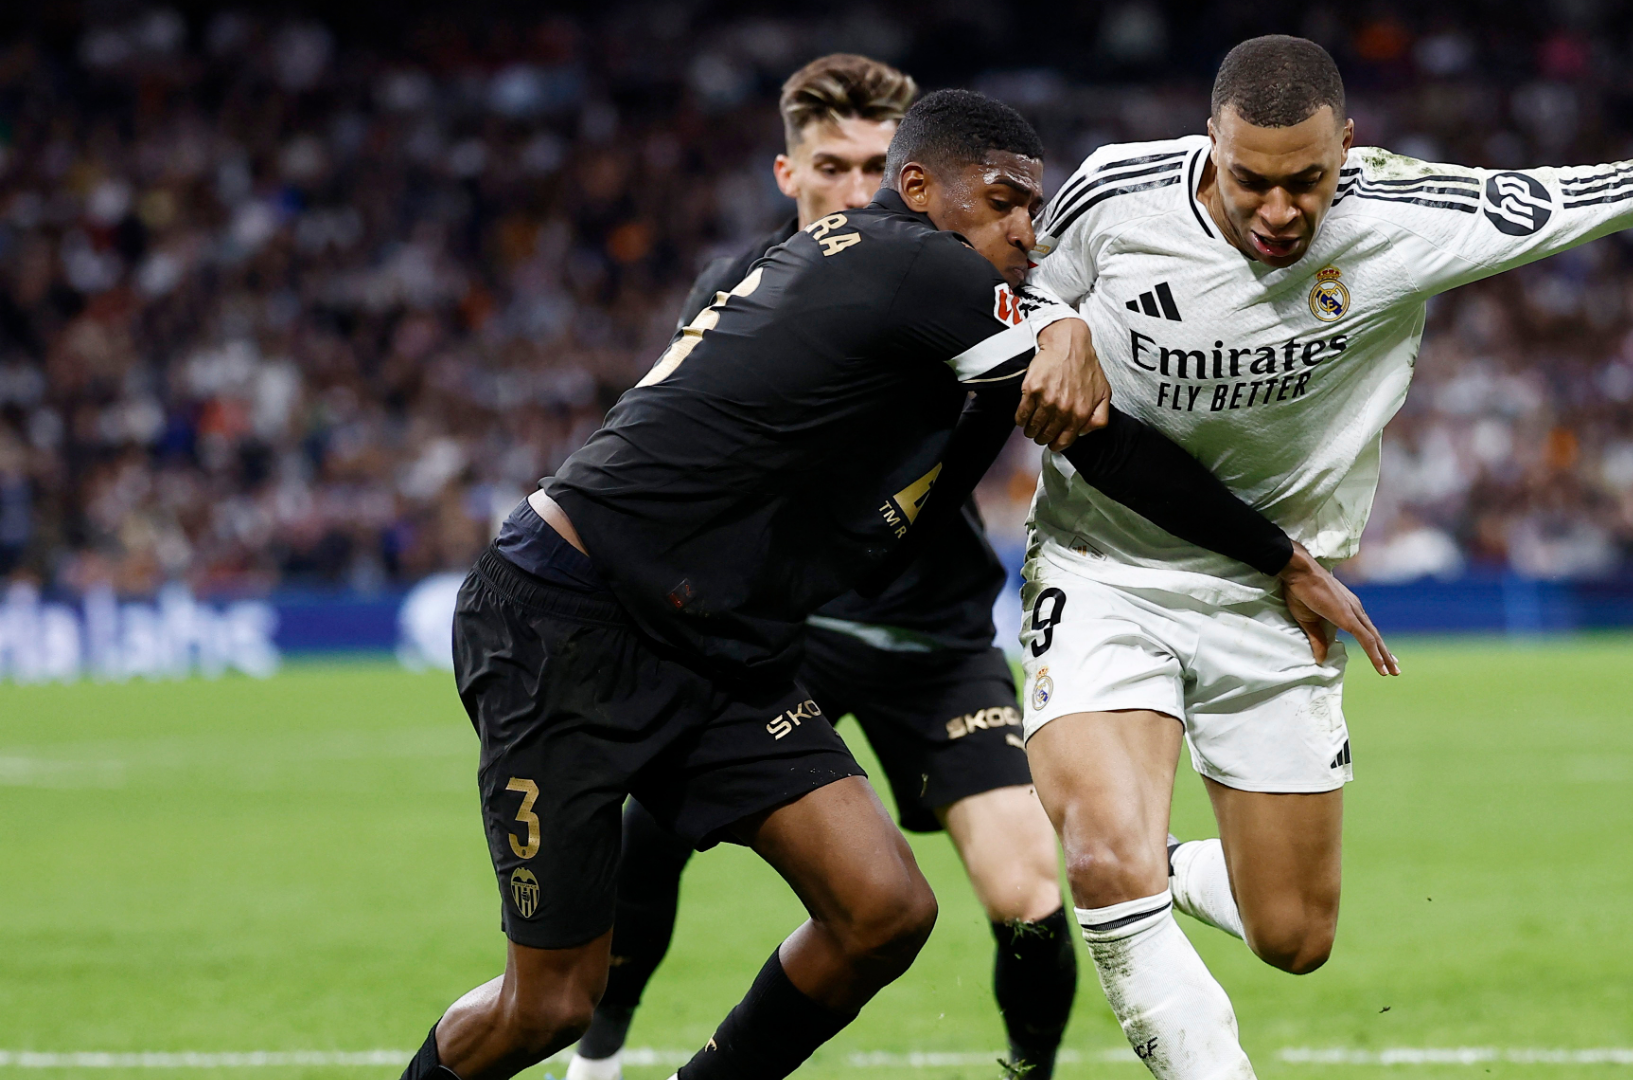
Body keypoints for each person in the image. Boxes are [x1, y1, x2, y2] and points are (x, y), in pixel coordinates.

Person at [1020, 27, 1633, 1077]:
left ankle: (1161, 863)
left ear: (1347, 148)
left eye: (1306, 182)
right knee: (1102, 860)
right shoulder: (1114, 193)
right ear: (1209, 143)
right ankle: (1132, 871)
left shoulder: (1409, 215)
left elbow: (1611, 191)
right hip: (1105, 564)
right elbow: (1011, 276)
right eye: (1249, 181)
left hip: (1283, 593)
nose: (1278, 211)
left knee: (1294, 937)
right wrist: (1054, 321)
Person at [399, 89, 1340, 1080]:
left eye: (1035, 207)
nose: (1028, 229)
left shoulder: (876, 270)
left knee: (882, 910)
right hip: (571, 620)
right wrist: (1281, 559)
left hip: (719, 641)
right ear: (919, 186)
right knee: (548, 1005)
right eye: (1005, 201)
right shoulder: (916, 262)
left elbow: (1011, 397)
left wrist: (1057, 321)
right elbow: (1099, 442)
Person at [567, 56, 1077, 1080]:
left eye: (874, 167)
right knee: (651, 828)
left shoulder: (964, 280)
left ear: (912, 175)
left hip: (934, 633)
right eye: (832, 166)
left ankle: (1031, 1073)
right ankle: (597, 1056)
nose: (855, 188)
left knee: (1027, 894)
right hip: (788, 629)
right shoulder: (744, 289)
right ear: (788, 174)